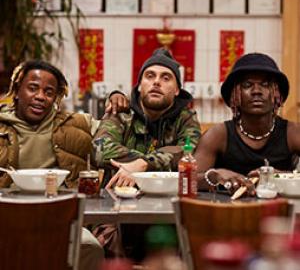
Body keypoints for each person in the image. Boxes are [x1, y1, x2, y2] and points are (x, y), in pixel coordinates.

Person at [0, 60, 128, 270]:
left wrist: (116, 100)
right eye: (32, 88)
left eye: (49, 92)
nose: (40, 96)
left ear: (56, 97)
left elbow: (114, 138)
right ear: (16, 90)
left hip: (62, 220)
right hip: (7, 219)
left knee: (89, 246)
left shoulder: (78, 124)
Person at [194, 52, 300, 195]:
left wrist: (278, 177)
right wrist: (215, 175)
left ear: (276, 94)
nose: (257, 91)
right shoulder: (218, 135)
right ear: (235, 95)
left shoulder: (292, 133)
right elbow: (188, 179)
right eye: (247, 85)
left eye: (265, 85)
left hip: (278, 213)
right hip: (227, 213)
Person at [95, 47, 201, 188]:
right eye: (150, 76)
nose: (156, 82)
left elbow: (188, 153)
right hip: (118, 196)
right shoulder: (121, 112)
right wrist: (148, 162)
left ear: (177, 90)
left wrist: (143, 164)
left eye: (166, 78)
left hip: (167, 197)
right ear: (139, 86)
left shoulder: (186, 118)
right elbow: (100, 149)